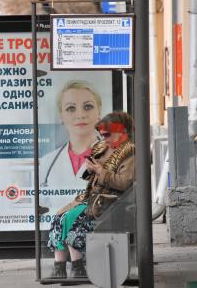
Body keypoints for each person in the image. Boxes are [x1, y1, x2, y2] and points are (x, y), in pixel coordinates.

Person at [47, 111, 135, 279]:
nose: (104, 139)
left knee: (75, 220)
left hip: (110, 204)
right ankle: (59, 268)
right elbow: (95, 175)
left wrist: (100, 171)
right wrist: (91, 170)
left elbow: (124, 183)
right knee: (60, 217)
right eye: (101, 135)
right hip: (94, 199)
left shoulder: (130, 152)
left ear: (121, 131)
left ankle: (77, 268)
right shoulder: (104, 148)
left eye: (107, 134)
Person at [40, 80, 102, 188]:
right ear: (61, 116)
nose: (80, 115)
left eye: (88, 107)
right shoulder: (47, 162)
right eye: (71, 108)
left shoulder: (115, 157)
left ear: (99, 112)